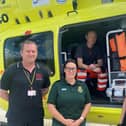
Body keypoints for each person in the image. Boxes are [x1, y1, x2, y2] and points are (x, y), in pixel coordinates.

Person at [0, 40, 50, 126]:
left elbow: (45, 89)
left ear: (37, 53)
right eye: (28, 51)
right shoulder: (11, 70)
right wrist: (15, 100)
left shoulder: (43, 70)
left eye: (33, 51)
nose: (31, 54)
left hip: (36, 116)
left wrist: (36, 97)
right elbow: (2, 91)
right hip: (16, 116)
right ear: (21, 53)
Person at [47, 59, 91, 126]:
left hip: (79, 124)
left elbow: (88, 104)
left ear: (76, 70)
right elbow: (50, 106)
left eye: (73, 69)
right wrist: (64, 121)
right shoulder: (57, 85)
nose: (71, 71)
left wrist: (80, 120)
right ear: (64, 70)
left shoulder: (83, 85)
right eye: (68, 68)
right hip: (60, 123)